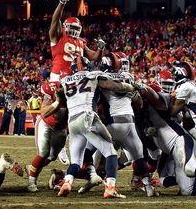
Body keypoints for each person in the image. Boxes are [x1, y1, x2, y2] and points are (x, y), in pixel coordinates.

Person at [58, 56, 135, 198]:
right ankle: (110, 187)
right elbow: (112, 86)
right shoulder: (93, 75)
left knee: (76, 161)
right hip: (87, 117)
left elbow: (60, 98)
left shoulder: (65, 81)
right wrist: (130, 87)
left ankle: (67, 182)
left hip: (72, 122)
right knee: (110, 151)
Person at [98, 52, 157, 196]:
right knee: (138, 157)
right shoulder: (128, 78)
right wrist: (132, 89)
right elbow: (139, 104)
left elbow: (105, 87)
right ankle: (148, 185)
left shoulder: (100, 77)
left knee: (98, 159)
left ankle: (68, 177)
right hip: (129, 123)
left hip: (111, 125)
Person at [48, 0, 103, 82]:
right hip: (58, 75)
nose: (74, 30)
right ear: (65, 27)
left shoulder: (81, 41)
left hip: (76, 76)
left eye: (76, 28)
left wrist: (100, 49)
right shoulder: (58, 35)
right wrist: (61, 4)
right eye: (72, 27)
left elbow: (94, 57)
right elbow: (55, 20)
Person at [26, 81, 68, 192]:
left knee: (52, 157)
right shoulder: (52, 91)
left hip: (61, 128)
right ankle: (32, 181)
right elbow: (44, 112)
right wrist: (57, 101)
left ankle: (31, 168)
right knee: (43, 152)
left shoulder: (74, 92)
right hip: (46, 123)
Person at [170, 61, 196, 139]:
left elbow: (173, 111)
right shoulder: (188, 84)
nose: (173, 74)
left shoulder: (185, 87)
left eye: (175, 71)